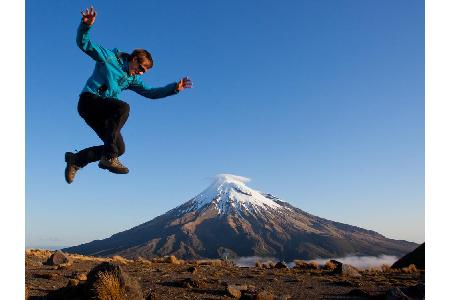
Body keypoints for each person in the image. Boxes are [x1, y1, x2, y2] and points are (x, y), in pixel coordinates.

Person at [64, 6, 192, 184]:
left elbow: (151, 92)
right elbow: (84, 44)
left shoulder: (131, 80)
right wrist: (85, 26)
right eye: (140, 69)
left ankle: (77, 160)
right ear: (133, 59)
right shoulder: (109, 58)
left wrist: (174, 88)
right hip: (89, 101)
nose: (140, 73)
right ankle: (109, 157)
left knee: (119, 148)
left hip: (104, 112)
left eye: (144, 72)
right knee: (123, 107)